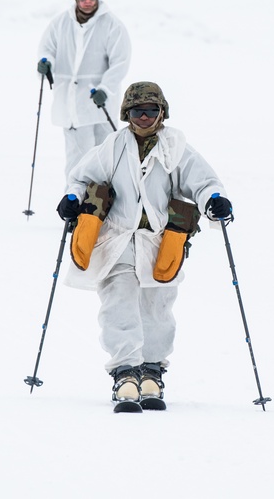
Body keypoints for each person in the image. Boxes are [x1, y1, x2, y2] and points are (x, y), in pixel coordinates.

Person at [55, 81, 232, 409]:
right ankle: (125, 371)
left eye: (152, 110)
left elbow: (204, 181)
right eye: (138, 111)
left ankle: (151, 371)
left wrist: (214, 201)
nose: (146, 117)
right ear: (127, 113)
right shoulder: (112, 147)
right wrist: (72, 198)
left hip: (160, 243)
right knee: (118, 304)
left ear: (162, 112)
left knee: (157, 308)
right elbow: (80, 177)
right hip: (118, 241)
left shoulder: (176, 148)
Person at [36, 0, 132, 178]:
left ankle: (107, 203)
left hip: (101, 104)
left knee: (106, 157)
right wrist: (45, 63)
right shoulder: (60, 23)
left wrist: (105, 89)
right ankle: (75, 202)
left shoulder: (112, 25)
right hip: (71, 106)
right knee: (77, 160)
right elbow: (46, 50)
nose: (87, 1)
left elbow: (120, 62)